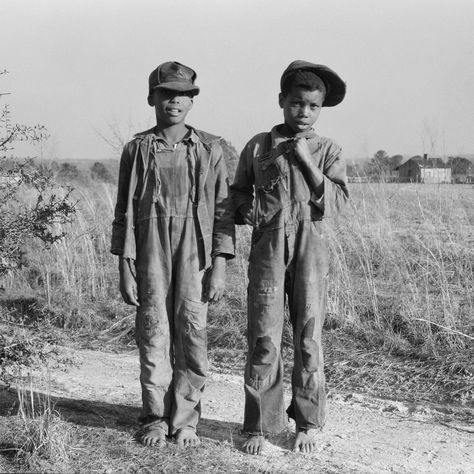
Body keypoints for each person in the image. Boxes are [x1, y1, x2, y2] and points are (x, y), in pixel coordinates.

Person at [111, 61, 235, 448]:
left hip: (194, 255)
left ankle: (186, 420)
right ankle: (153, 417)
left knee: (192, 336)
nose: (174, 101)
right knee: (153, 335)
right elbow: (124, 211)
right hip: (149, 254)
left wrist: (220, 266)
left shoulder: (211, 149)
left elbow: (223, 212)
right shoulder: (136, 149)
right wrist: (125, 266)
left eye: (183, 94)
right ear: (152, 98)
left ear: (192, 100)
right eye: (166, 93)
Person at [231, 60, 348, 455]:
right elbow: (238, 194)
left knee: (309, 339)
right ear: (282, 101)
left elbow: (337, 203)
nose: (304, 112)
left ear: (321, 109)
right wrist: (250, 212)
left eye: (313, 106)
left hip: (311, 251)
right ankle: (260, 426)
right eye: (297, 103)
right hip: (268, 250)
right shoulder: (258, 146)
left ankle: (307, 424)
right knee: (264, 337)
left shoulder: (328, 149)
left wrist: (307, 161)